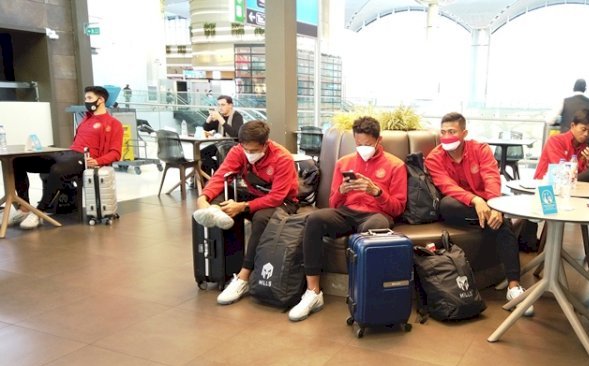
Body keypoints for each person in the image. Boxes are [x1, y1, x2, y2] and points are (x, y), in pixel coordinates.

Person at [288, 116, 407, 321]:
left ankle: (363, 293)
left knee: (373, 228)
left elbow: (397, 208)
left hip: (376, 214)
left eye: (368, 144)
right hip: (347, 212)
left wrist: (377, 192)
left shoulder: (395, 165)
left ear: (379, 140)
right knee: (315, 219)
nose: (363, 148)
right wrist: (342, 190)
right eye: (359, 144)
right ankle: (313, 292)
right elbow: (334, 203)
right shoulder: (344, 163)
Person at [425, 112, 529, 316]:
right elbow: (447, 187)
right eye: (444, 132)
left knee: (501, 221)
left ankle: (514, 286)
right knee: (447, 205)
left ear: (464, 133)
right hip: (459, 207)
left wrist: (494, 205)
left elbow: (491, 177)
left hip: (486, 204)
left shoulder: (480, 149)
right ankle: (488, 218)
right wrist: (475, 200)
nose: (447, 136)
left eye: (452, 132)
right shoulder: (434, 157)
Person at [192, 120, 299, 305]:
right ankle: (213, 211)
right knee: (222, 194)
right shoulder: (238, 151)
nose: (249, 154)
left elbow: (276, 198)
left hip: (284, 202)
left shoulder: (283, 158)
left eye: (253, 150)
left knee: (261, 218)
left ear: (265, 144)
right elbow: (221, 175)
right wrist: (203, 197)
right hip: (253, 195)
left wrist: (243, 206)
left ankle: (243, 278)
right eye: (245, 149)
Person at [3, 86, 122, 229]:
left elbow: (116, 153)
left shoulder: (113, 124)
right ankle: (24, 208)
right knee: (18, 161)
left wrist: (97, 161)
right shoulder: (85, 120)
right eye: (85, 99)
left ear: (101, 100)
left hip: (84, 159)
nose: (86, 101)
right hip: (67, 153)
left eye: (89, 98)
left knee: (57, 170)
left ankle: (39, 212)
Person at [534, 109, 589, 182]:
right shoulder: (555, 141)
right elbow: (561, 170)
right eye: (583, 129)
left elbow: (582, 173)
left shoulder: (585, 148)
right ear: (573, 125)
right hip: (546, 185)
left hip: (571, 186)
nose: (586, 134)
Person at [547, 78, 589, 147]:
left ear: (573, 88)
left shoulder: (564, 101)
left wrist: (562, 121)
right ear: (585, 89)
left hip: (565, 142)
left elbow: (549, 120)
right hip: (585, 144)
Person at [200, 95, 244, 175]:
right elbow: (206, 128)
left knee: (220, 152)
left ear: (230, 105)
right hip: (221, 144)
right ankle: (213, 175)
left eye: (223, 105)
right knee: (201, 154)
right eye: (218, 105)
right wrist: (209, 118)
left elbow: (235, 134)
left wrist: (220, 119)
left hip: (233, 145)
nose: (220, 107)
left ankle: (219, 173)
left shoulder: (237, 116)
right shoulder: (220, 116)